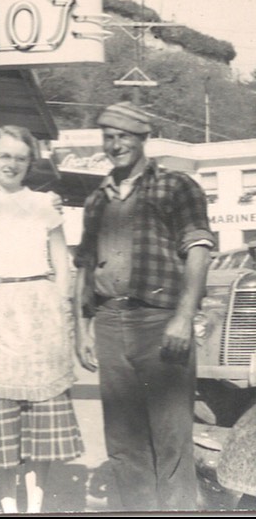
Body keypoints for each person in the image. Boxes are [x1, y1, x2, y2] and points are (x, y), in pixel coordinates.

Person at [73, 101, 215, 511]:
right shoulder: (96, 200)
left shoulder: (177, 186)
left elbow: (199, 251)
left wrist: (183, 317)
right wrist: (81, 328)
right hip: (109, 322)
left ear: (142, 139)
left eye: (124, 137)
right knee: (123, 443)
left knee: (171, 440)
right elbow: (84, 265)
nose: (116, 145)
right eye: (109, 137)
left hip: (160, 323)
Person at [0, 125, 84, 514]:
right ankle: (8, 506)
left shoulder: (45, 204)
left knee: (42, 420)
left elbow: (63, 265)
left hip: (39, 313)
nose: (11, 164)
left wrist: (58, 308)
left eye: (20, 157)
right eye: (5, 155)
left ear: (30, 163)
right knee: (0, 421)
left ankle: (36, 506)